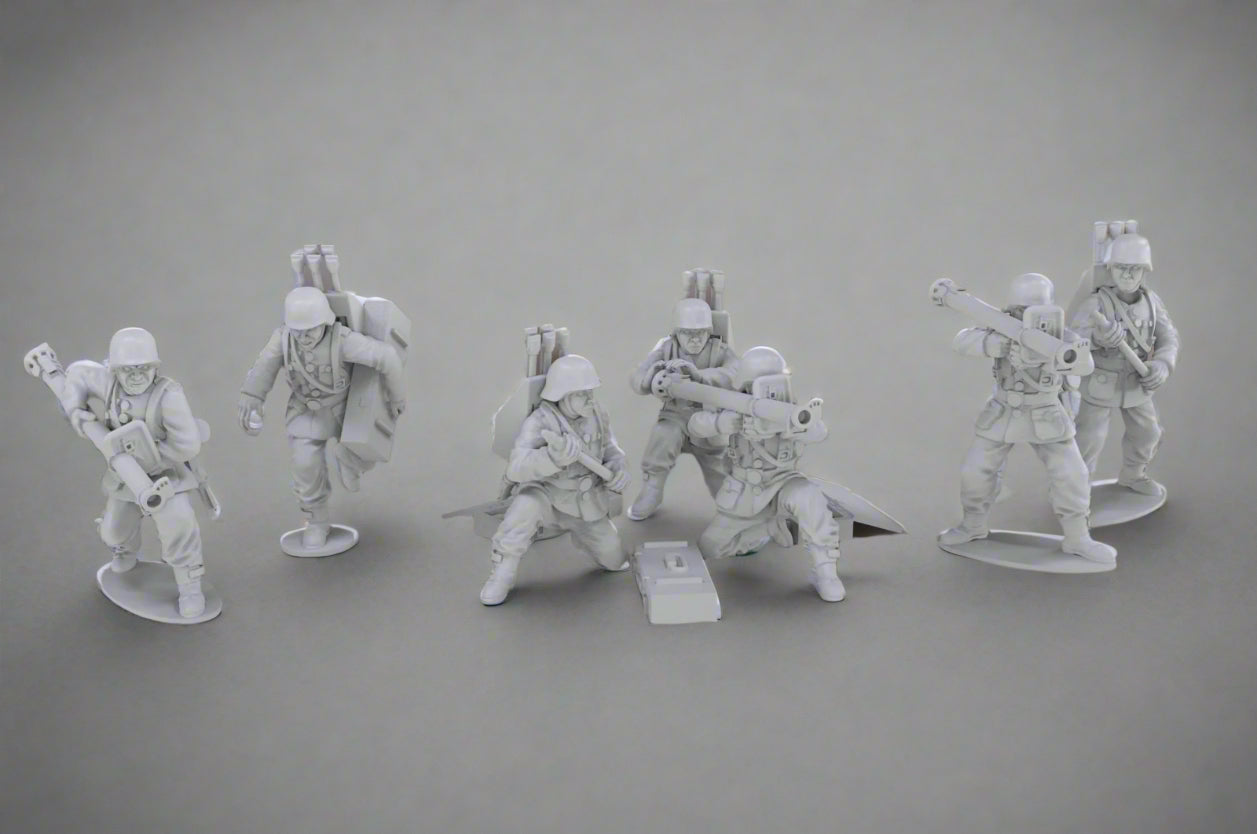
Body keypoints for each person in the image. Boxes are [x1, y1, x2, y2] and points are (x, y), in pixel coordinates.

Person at [938, 274, 1116, 564]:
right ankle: (973, 525)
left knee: (1072, 475)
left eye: (1033, 309)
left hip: (1046, 412)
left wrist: (1053, 351)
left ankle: (1077, 537)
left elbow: (1084, 363)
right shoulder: (1000, 328)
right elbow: (962, 341)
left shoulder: (1063, 335)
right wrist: (997, 343)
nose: (1024, 315)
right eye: (1019, 310)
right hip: (1003, 411)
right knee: (976, 471)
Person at [238, 286, 405, 548]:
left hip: (344, 410)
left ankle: (349, 460)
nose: (304, 337)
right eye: (298, 330)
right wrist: (252, 396)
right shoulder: (283, 339)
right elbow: (264, 366)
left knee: (369, 449)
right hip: (305, 411)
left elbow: (387, 357)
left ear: (325, 322)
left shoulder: (343, 340)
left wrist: (396, 397)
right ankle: (316, 521)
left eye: (310, 330)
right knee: (305, 465)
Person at [60, 328, 210, 617]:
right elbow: (77, 373)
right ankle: (125, 552)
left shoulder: (168, 395)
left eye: (143, 368)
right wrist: (75, 410)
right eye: (128, 370)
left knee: (179, 527)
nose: (136, 376)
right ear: (115, 369)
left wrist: (147, 454)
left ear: (155, 367)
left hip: (165, 476)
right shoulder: (109, 383)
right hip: (125, 478)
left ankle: (190, 586)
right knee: (114, 530)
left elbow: (187, 444)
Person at [687, 346, 846, 602]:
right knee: (711, 547)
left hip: (784, 481)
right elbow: (695, 425)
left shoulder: (790, 407)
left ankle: (826, 572)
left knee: (809, 498)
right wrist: (722, 423)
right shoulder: (735, 403)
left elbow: (819, 431)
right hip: (745, 490)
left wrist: (789, 427)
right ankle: (767, 528)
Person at [481, 354, 632, 605]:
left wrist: (619, 468)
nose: (590, 399)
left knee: (615, 559)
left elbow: (611, 449)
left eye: (590, 392)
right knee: (524, 508)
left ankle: (588, 539)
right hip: (547, 493)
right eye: (581, 394)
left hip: (584, 501)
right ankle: (503, 571)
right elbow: (517, 467)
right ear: (563, 395)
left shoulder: (598, 414)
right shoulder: (540, 421)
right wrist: (552, 458)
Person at [1069, 233, 1179, 496]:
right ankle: (1075, 491)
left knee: (1148, 432)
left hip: (1137, 381)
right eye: (1121, 267)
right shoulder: (1096, 303)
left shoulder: (1152, 302)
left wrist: (1163, 364)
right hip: (1099, 381)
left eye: (1134, 268)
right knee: (1088, 438)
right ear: (1110, 269)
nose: (1128, 275)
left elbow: (1169, 337)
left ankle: (1134, 475)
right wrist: (1097, 338)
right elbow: (1071, 339)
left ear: (1145, 270)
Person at [627, 297, 739, 520]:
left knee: (718, 468)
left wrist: (699, 375)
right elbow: (637, 377)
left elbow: (733, 373)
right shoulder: (666, 348)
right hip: (675, 414)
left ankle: (731, 506)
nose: (695, 339)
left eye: (701, 333)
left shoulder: (720, 351)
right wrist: (653, 377)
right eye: (688, 333)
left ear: (709, 331)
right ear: (677, 332)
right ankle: (653, 489)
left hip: (709, 418)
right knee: (662, 438)